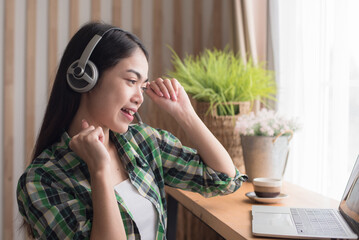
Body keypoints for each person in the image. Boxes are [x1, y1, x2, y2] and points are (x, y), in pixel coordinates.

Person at [16, 22, 247, 240]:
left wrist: (185, 113)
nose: (139, 98)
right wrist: (99, 170)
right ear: (85, 77)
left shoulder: (143, 142)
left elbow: (224, 180)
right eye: (130, 81)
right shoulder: (42, 179)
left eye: (143, 85)